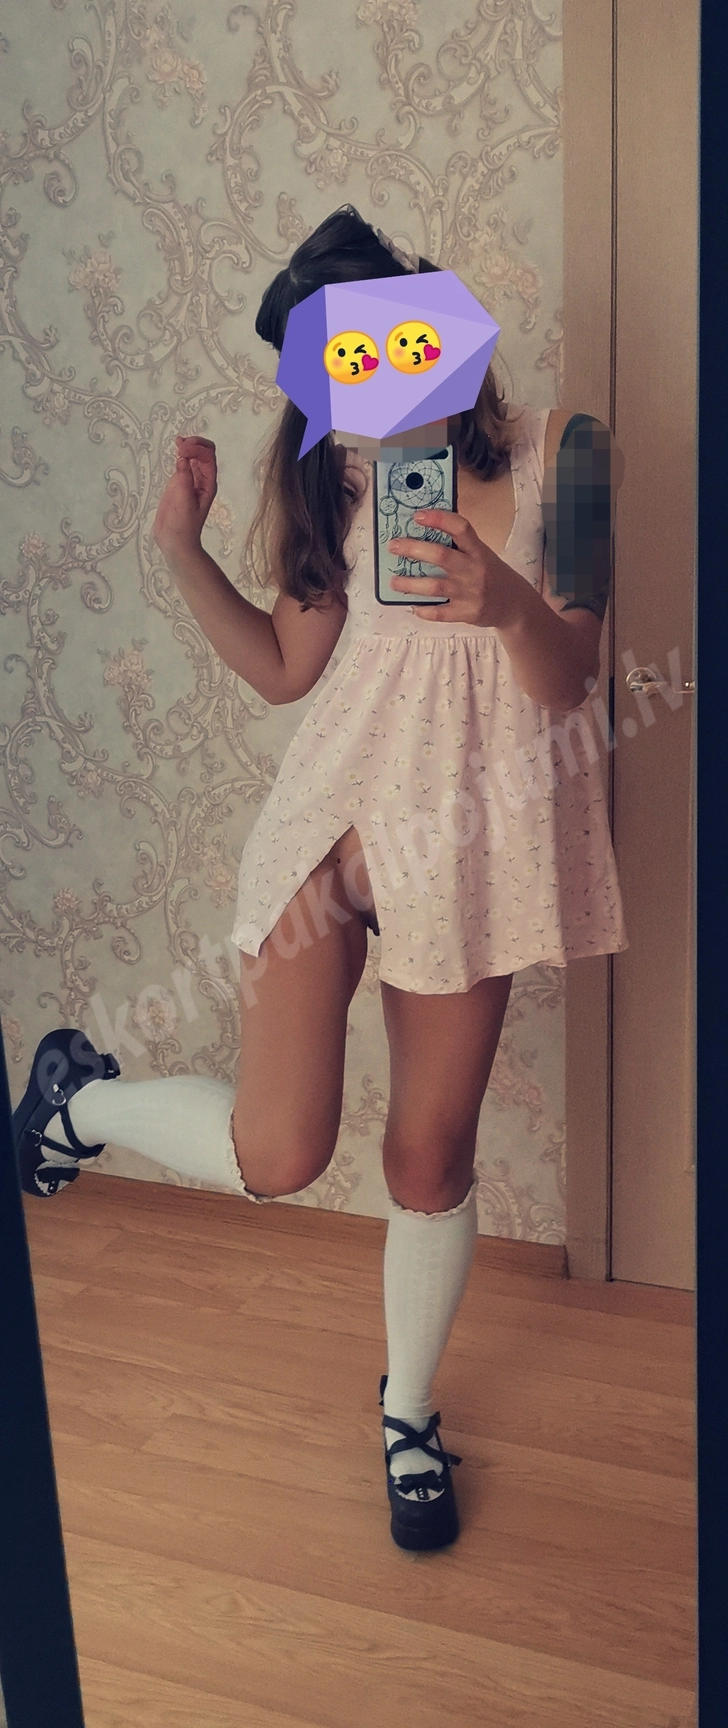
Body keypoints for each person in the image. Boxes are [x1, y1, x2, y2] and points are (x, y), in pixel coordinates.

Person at [13, 204, 628, 1554]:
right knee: (280, 1155)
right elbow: (291, 674)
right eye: (340, 376)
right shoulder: (339, 479)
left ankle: (407, 1414)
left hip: (471, 853)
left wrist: (502, 602)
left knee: (428, 1157)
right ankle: (80, 1098)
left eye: (383, 347)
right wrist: (178, 549)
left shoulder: (571, 453)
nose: (373, 391)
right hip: (332, 834)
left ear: (428, 315)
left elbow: (573, 678)